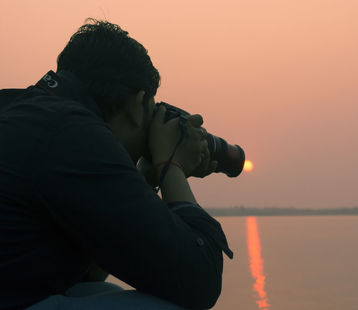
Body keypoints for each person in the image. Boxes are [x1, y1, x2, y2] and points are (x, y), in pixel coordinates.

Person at [0, 19, 233, 310]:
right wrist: (171, 164)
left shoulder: (23, 111)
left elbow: (85, 275)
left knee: (95, 288)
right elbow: (200, 282)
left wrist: (144, 180)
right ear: (139, 105)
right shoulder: (76, 133)